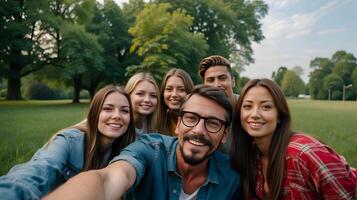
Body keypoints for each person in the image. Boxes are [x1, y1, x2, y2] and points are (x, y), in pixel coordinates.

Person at [44, 85, 242, 200]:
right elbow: (110, 179)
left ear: (225, 135)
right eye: (191, 118)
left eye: (213, 123)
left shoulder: (232, 178)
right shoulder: (151, 149)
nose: (198, 130)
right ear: (178, 124)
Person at [0, 85, 136, 199]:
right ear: (94, 114)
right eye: (108, 109)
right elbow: (41, 167)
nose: (117, 116)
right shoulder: (68, 141)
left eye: (124, 111)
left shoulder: (125, 150)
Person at [230, 78, 357, 199]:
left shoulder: (306, 153)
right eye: (247, 106)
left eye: (266, 107)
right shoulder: (249, 154)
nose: (255, 114)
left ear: (279, 115)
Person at [157, 68, 194, 136]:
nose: (174, 94)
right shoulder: (156, 121)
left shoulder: (198, 123)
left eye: (181, 90)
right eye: (169, 89)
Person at [125, 72, 160, 137]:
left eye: (153, 95)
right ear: (128, 95)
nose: (147, 100)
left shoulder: (156, 126)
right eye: (140, 94)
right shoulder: (119, 126)